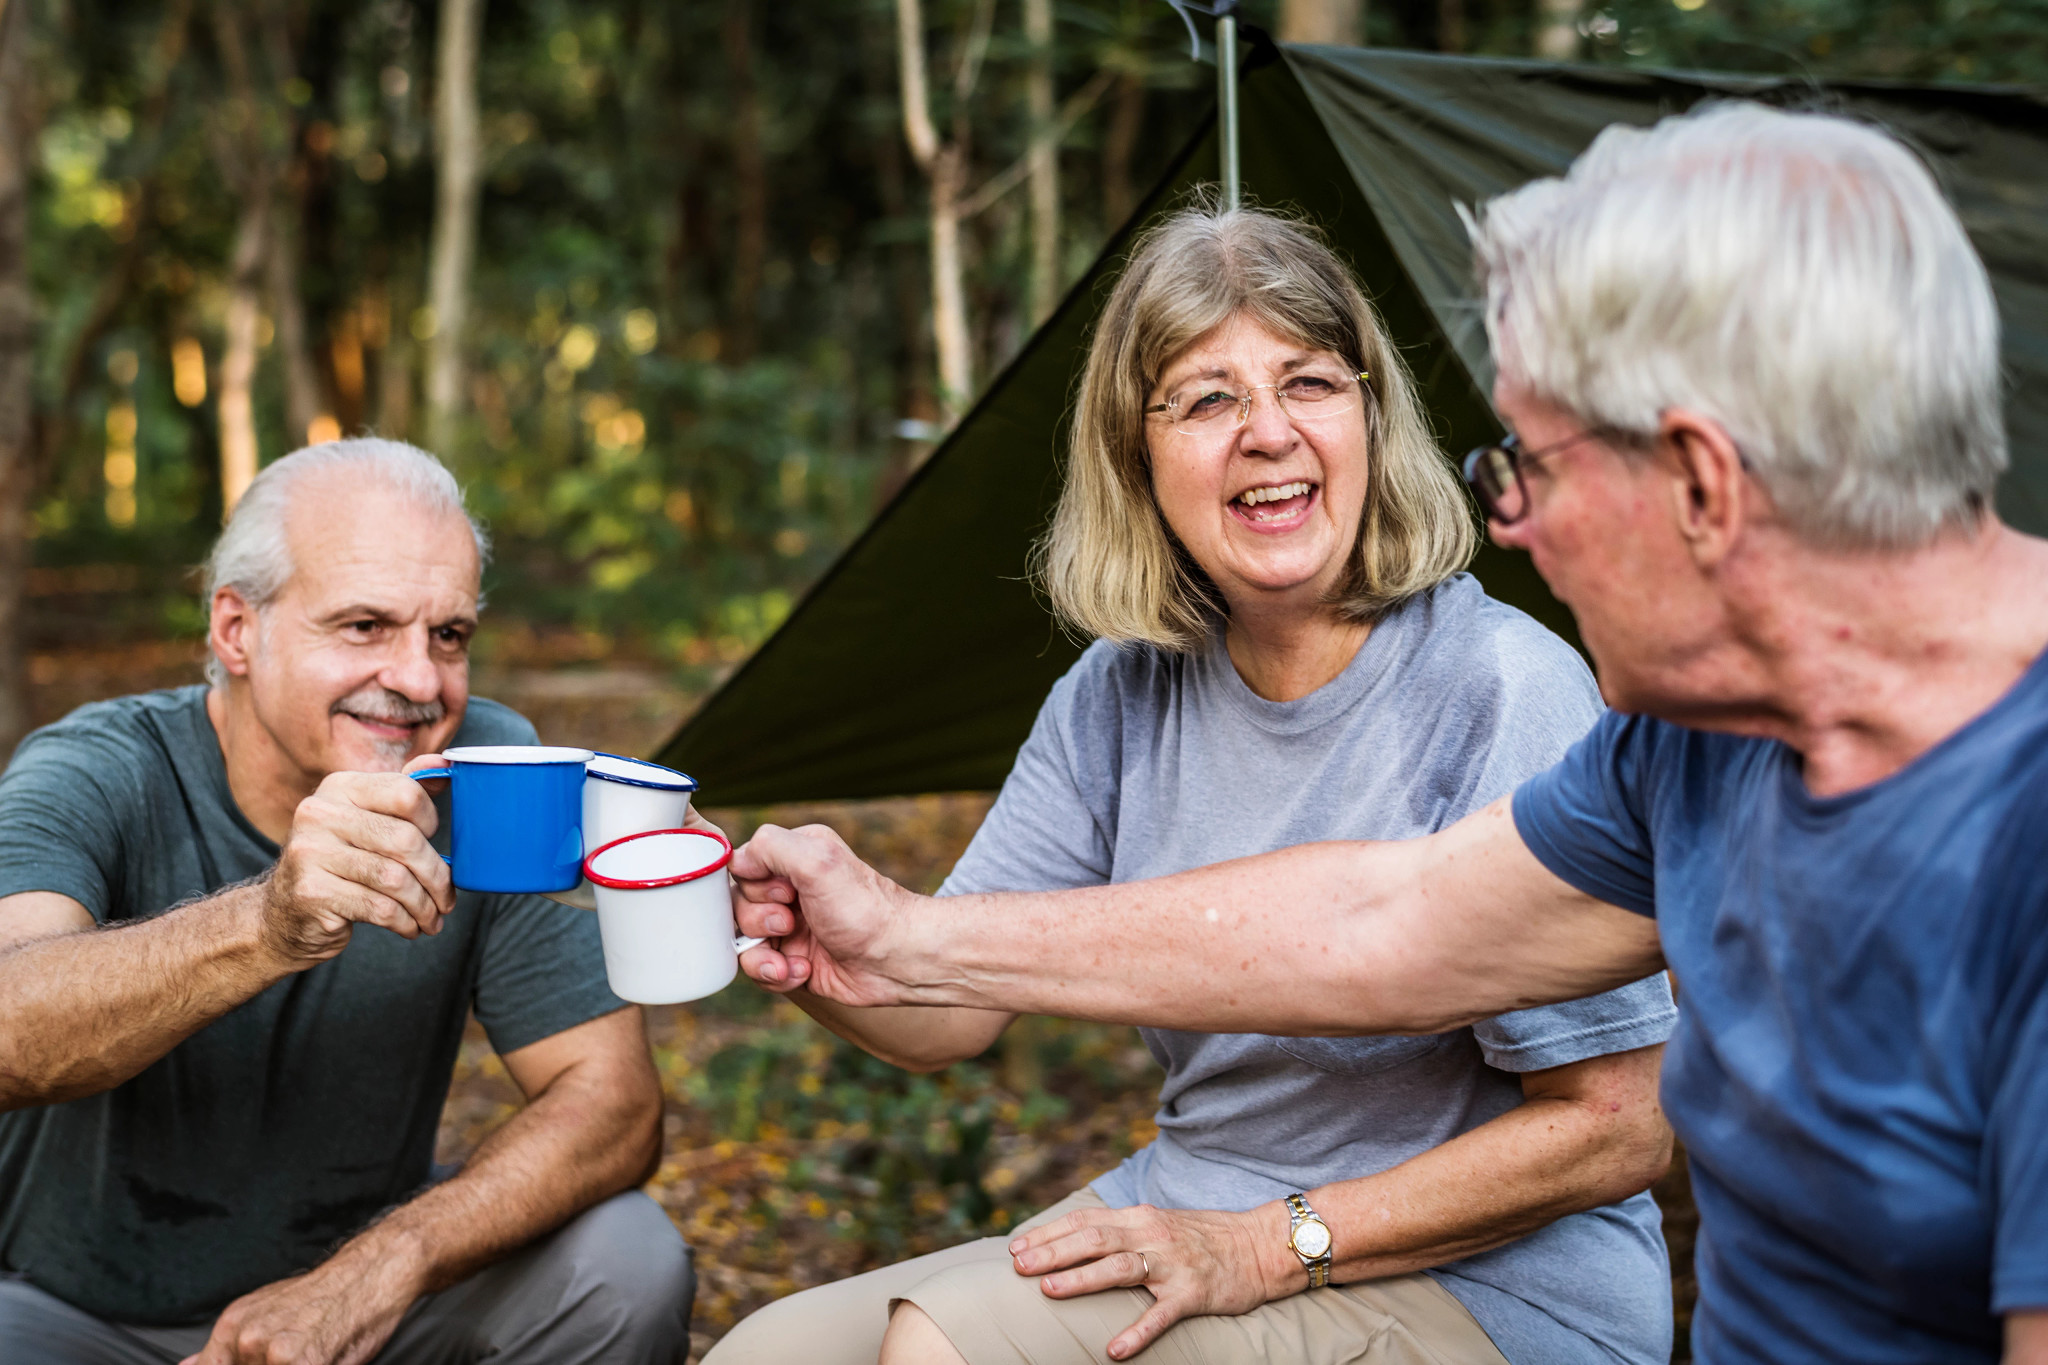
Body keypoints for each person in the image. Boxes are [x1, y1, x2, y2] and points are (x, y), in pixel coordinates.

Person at [730, 104, 2048, 1365]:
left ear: (1700, 481)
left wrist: (1280, 1239)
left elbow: (1606, 1115)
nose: (1511, 526)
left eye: (1524, 464)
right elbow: (1381, 924)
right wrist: (903, 938)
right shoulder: (1694, 748)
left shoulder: (2010, 831)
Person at [709, 206, 1677, 1365]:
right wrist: (791, 933)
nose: (1266, 433)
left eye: (1309, 383)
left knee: (945, 1351)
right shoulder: (1117, 695)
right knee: (765, 1354)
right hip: (1186, 1201)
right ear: (1136, 456)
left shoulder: (1503, 684)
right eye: (1207, 398)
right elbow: (946, 1005)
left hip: (1495, 1292)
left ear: (1369, 415)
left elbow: (1618, 1128)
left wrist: (1262, 1246)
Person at [0, 440, 694, 1365]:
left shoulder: (488, 773)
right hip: (65, 1311)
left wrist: (379, 1269)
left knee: (627, 1260)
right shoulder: (99, 766)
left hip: (361, 1305)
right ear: (235, 630)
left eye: (449, 634)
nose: (419, 680)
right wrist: (267, 922)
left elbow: (613, 1102)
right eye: (365, 625)